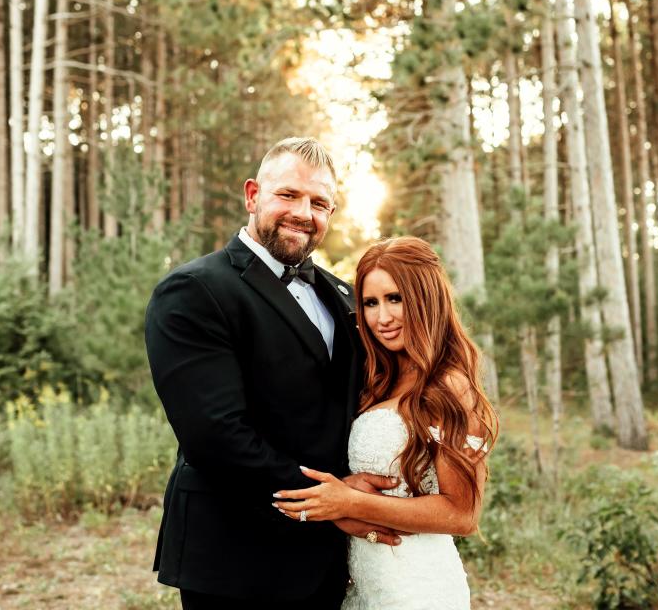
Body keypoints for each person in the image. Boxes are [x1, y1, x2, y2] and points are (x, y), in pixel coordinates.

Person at [144, 137, 402, 610]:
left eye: (319, 202)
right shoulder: (194, 290)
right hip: (234, 558)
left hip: (326, 558)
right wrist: (335, 498)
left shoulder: (344, 295)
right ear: (252, 196)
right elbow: (214, 435)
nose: (304, 212)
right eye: (288, 195)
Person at [273, 236, 499, 609]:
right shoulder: (379, 378)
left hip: (417, 588)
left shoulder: (448, 386)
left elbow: (462, 514)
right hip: (365, 585)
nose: (382, 318)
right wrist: (344, 504)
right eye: (370, 303)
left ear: (426, 298)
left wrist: (349, 502)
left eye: (395, 298)